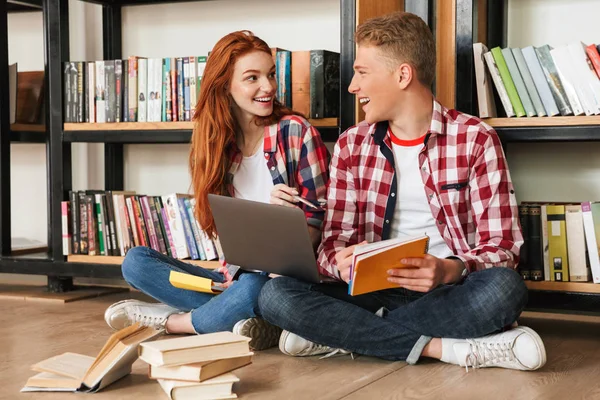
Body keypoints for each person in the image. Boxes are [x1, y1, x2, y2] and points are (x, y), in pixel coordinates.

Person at [258, 12, 547, 371]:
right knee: (275, 295)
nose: (352, 86)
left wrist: (449, 270)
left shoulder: (475, 138)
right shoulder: (352, 144)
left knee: (505, 289)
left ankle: (343, 336)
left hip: (446, 293)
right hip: (365, 291)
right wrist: (341, 264)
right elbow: (332, 245)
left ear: (403, 75)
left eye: (362, 73)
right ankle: (445, 348)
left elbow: (504, 248)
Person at [103, 31, 330, 350]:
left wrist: (286, 221)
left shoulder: (294, 133)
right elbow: (230, 240)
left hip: (282, 282)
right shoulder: (216, 146)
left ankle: (174, 322)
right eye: (253, 78)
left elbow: (320, 227)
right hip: (231, 280)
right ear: (225, 85)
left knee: (255, 289)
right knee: (136, 262)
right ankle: (235, 320)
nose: (267, 87)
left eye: (270, 75)